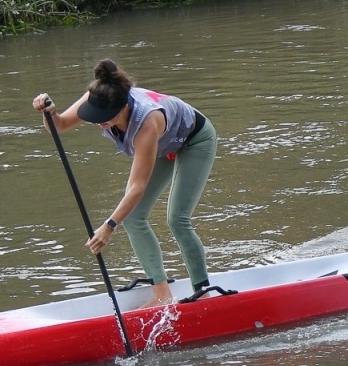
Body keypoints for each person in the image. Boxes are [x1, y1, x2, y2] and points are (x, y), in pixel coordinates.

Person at [33, 59, 218, 307]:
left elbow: (137, 187)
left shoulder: (147, 122)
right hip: (165, 143)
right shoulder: (100, 94)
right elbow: (61, 125)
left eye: (105, 117)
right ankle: (161, 294)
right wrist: (50, 112)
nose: (99, 122)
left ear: (123, 108)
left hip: (194, 139)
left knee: (177, 219)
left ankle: (203, 292)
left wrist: (108, 226)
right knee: (133, 217)